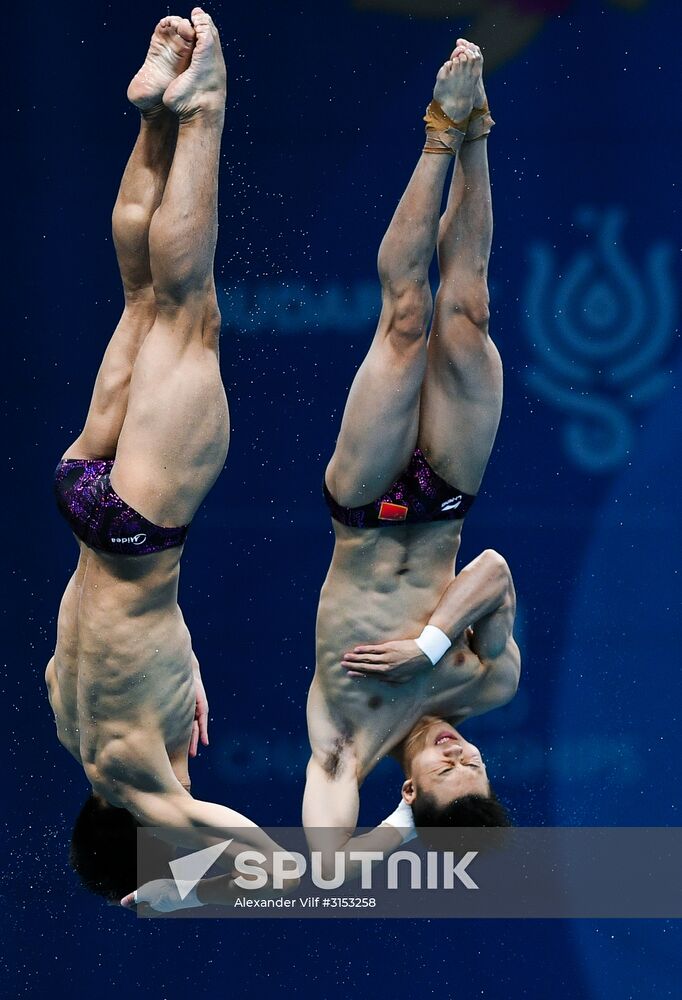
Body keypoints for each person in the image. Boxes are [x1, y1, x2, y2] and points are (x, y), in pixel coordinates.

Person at [45, 9, 288, 908]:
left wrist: (195, 881)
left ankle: (203, 105)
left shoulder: (148, 790)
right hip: (85, 498)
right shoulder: (76, 734)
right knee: (143, 294)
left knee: (188, 308)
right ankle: (154, 107)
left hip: (141, 531)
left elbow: (249, 845)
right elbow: (79, 660)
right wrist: (176, 677)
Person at [303, 39, 520, 870]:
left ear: (410, 792)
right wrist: (431, 646)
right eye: (476, 765)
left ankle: (438, 129)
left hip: (364, 507)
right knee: (466, 312)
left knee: (404, 322)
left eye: (446, 772)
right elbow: (493, 570)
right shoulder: (484, 682)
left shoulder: (345, 740)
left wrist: (398, 837)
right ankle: (476, 133)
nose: (461, 755)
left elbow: (324, 866)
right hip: (447, 502)